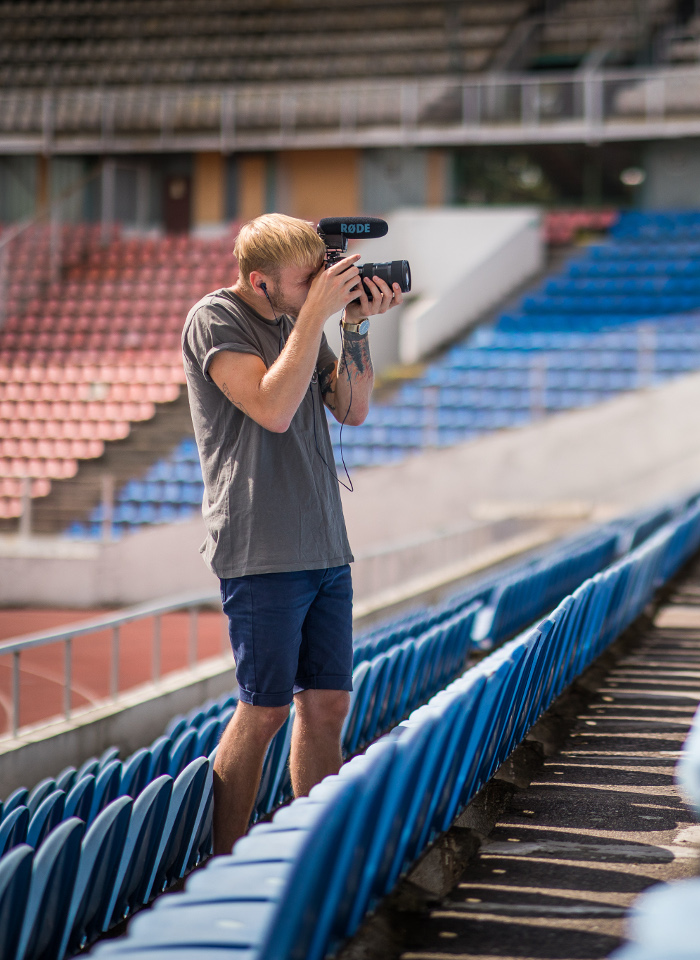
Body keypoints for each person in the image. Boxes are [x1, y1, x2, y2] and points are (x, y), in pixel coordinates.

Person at [181, 213, 403, 854]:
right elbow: (273, 409)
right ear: (259, 280)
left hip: (325, 542)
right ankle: (220, 862)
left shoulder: (293, 319)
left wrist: (354, 322)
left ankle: (313, 849)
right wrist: (315, 318)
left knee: (328, 705)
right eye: (309, 279)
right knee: (265, 710)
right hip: (261, 547)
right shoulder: (216, 318)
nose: (322, 286)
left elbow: (353, 409)